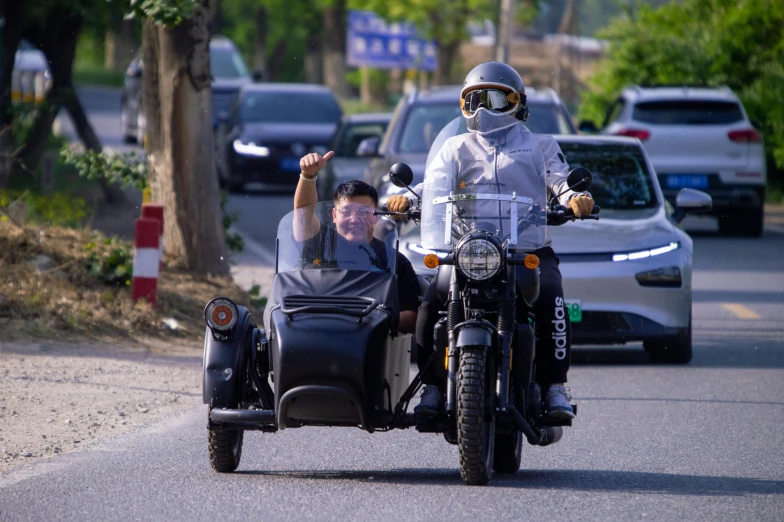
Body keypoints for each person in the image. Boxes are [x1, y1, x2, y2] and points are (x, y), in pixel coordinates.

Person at [387, 62, 595, 418]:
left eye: (495, 99)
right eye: (474, 100)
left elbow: (560, 180)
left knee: (551, 299)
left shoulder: (540, 145)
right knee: (430, 303)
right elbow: (429, 186)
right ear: (463, 106)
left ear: (517, 102)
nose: (483, 109)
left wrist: (574, 199)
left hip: (526, 249)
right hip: (468, 250)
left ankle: (555, 387)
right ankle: (433, 387)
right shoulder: (454, 148)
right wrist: (407, 199)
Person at [294, 151, 420, 333]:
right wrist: (308, 176)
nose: (355, 219)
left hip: (369, 347)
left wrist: (375, 321)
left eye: (363, 212)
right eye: (346, 212)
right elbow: (303, 211)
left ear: (376, 216)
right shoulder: (318, 246)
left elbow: (412, 315)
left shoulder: (393, 261)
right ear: (334, 215)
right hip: (315, 336)